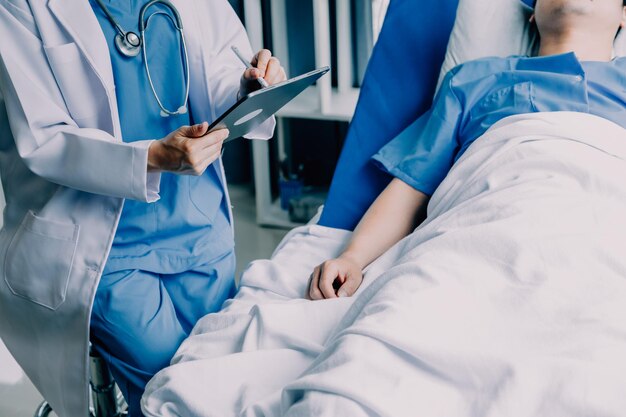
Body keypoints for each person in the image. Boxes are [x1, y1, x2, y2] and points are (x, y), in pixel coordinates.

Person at [0, 1, 285, 416]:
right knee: (173, 394)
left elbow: (222, 70)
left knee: (221, 378)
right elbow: (44, 140)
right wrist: (152, 156)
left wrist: (251, 88)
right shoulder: (19, 7)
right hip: (102, 247)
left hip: (199, 227)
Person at [308, 0, 626, 300]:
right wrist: (353, 257)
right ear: (533, 14)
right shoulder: (474, 79)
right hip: (481, 235)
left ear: (623, 16)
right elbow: (412, 186)